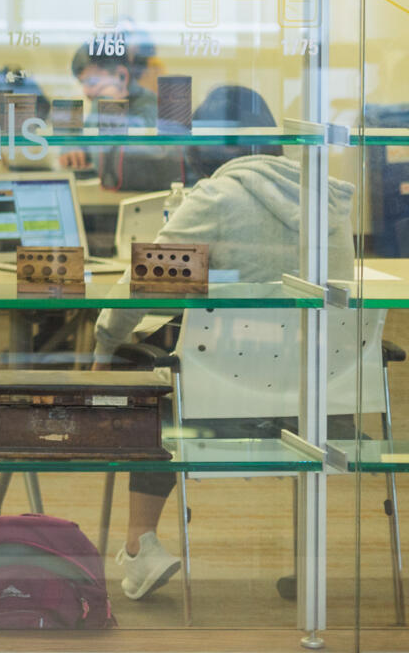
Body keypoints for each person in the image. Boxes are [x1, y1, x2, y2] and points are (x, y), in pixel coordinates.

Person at [94, 84, 355, 601]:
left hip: (223, 403)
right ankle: (309, 562)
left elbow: (141, 289)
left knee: (152, 396)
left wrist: (106, 343)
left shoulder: (215, 199)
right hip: (319, 403)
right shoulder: (331, 201)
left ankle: (138, 544)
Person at [58, 36, 184, 192]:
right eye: (82, 84)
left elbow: (112, 162)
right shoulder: (100, 102)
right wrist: (72, 145)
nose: (86, 91)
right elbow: (78, 134)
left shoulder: (148, 105)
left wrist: (108, 104)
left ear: (121, 76)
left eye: (91, 83)